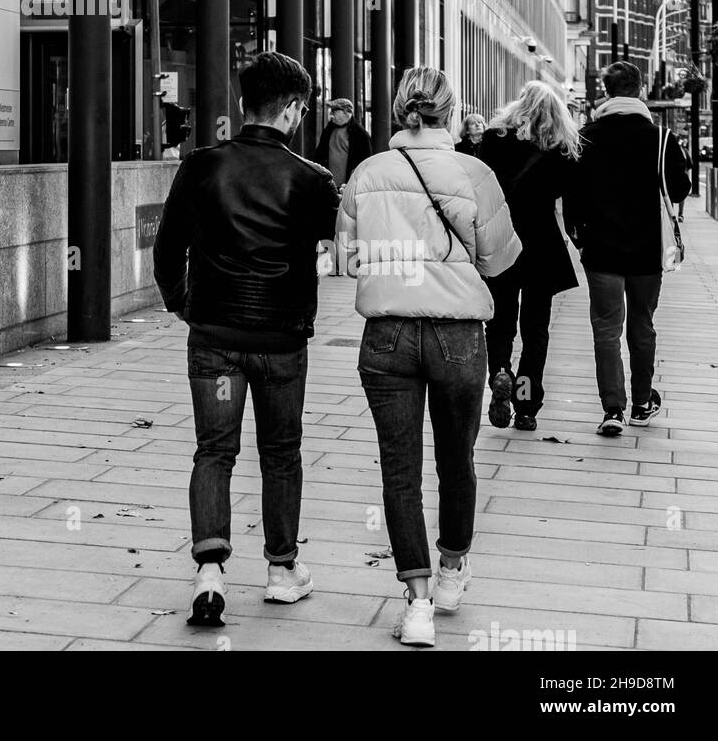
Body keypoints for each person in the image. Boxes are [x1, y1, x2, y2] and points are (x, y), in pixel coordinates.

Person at [153, 52, 339, 628]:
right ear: (290, 112)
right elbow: (328, 253)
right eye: (302, 109)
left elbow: (166, 250)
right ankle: (282, 571)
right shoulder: (313, 180)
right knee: (281, 453)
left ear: (243, 105)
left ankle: (209, 573)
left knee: (214, 451)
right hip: (280, 340)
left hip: (214, 338)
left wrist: (183, 303)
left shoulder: (201, 166)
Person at [337, 65, 521, 647]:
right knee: (456, 460)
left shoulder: (368, 172)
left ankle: (415, 605)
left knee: (399, 468)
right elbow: (498, 258)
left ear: (400, 111)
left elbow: (347, 258)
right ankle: (451, 571)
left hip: (386, 334)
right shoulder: (475, 173)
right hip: (459, 337)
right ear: (449, 110)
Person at [564, 61, 690, 437]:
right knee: (642, 323)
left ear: (605, 91)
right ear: (639, 90)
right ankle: (641, 403)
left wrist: (580, 238)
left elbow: (572, 196)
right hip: (647, 250)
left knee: (606, 328)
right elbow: (680, 189)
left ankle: (612, 409)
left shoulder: (587, 136)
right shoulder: (661, 138)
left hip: (601, 249)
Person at [477, 82, 581, 432]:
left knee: (500, 320)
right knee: (535, 329)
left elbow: (480, 189)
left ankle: (500, 374)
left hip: (503, 240)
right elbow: (569, 199)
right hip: (542, 245)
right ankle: (526, 403)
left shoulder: (493, 139)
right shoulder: (560, 148)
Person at [313, 97, 373, 188]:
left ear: (346, 113)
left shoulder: (360, 135)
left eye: (334, 111)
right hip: (327, 185)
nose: (331, 114)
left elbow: (365, 163)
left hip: (348, 187)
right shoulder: (329, 130)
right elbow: (319, 154)